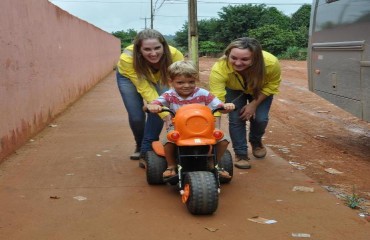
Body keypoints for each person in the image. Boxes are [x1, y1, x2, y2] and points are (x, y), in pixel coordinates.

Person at [146, 60, 235, 178]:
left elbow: (219, 106)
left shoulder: (204, 94)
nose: (186, 85)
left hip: (203, 128)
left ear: (196, 80)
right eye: (180, 82)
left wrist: (226, 107)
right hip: (178, 128)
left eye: (191, 82)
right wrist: (153, 106)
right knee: (168, 142)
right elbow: (153, 103)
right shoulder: (169, 95)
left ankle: (213, 163)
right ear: (171, 81)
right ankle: (171, 166)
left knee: (223, 140)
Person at [209, 37, 281, 169]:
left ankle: (256, 140)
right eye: (233, 58)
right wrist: (216, 125)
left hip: (260, 89)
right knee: (236, 118)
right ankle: (241, 154)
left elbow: (272, 85)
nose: (237, 63)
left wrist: (253, 105)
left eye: (245, 59)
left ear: (256, 58)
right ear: (227, 55)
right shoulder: (219, 68)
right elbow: (216, 100)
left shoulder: (270, 63)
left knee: (260, 119)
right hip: (234, 89)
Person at [116, 29, 184, 167]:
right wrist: (165, 114)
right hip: (129, 78)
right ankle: (140, 144)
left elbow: (180, 80)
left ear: (164, 46)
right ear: (139, 50)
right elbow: (144, 88)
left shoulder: (175, 55)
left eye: (157, 48)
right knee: (137, 115)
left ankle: (147, 149)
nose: (153, 53)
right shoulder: (127, 59)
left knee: (159, 108)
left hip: (160, 76)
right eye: (147, 49)